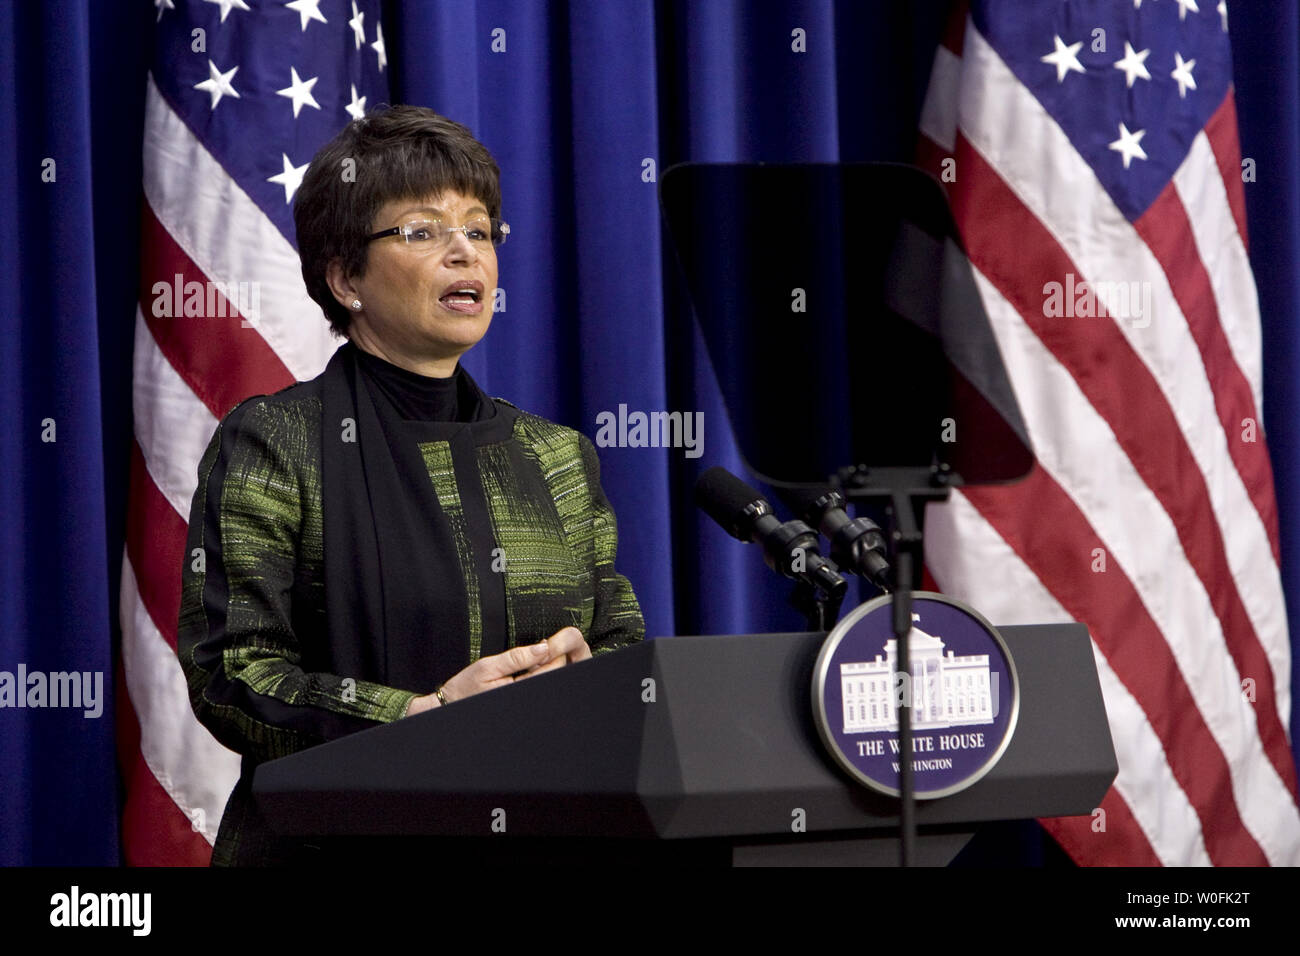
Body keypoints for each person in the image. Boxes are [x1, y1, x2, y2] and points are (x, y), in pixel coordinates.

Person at [177, 106, 645, 866]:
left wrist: (587, 684)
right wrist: (423, 716)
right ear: (345, 278)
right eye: (423, 231)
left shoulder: (555, 455)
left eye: (480, 229)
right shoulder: (275, 441)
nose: (466, 252)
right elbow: (233, 674)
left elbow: (620, 639)